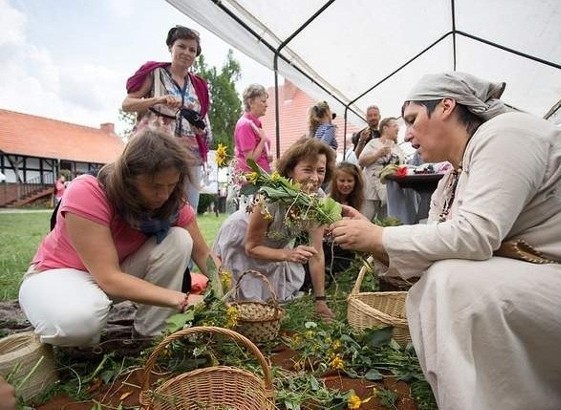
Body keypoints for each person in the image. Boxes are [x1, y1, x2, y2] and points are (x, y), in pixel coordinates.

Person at [330, 72, 561, 410]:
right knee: (439, 281)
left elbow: (476, 236)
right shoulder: (453, 178)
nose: (408, 136)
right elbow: (437, 243)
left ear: (447, 106)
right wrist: (372, 237)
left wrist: (380, 238)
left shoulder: (509, 134)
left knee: (452, 283)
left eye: (413, 120)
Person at [19, 130, 212, 347]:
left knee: (179, 239)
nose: (164, 195)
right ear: (130, 178)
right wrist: (182, 299)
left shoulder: (172, 203)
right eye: (155, 186)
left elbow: (204, 254)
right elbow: (108, 277)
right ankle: (71, 317)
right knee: (79, 323)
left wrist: (231, 288)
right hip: (59, 274)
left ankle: (151, 335)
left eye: (171, 185)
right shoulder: (89, 191)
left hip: (113, 277)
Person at [213, 137, 336, 320]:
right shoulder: (270, 198)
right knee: (239, 308)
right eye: (307, 170)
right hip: (242, 241)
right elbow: (252, 247)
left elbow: (316, 253)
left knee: (268, 309)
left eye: (321, 171)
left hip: (273, 250)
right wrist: (287, 254)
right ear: (290, 170)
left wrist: (320, 300)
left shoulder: (318, 200)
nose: (315, 178)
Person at [122, 25, 212, 211]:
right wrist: (159, 99)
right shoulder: (155, 74)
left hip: (189, 156)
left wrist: (199, 128)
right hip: (156, 152)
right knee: (151, 206)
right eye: (181, 46)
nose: (186, 52)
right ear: (171, 47)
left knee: (188, 210)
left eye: (192, 49)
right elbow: (127, 104)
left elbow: (203, 118)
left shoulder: (198, 85)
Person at [229, 83, 272, 211]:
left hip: (260, 178)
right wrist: (262, 140)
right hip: (251, 182)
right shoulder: (245, 125)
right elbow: (250, 160)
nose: (266, 105)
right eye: (263, 101)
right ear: (251, 102)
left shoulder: (255, 123)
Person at [358, 117, 405, 221]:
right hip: (370, 191)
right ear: (385, 128)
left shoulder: (397, 148)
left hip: (389, 192)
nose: (398, 128)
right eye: (395, 126)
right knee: (364, 220)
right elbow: (361, 161)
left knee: (385, 223)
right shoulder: (373, 143)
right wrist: (377, 154)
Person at [324, 162, 364, 274]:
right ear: (335, 181)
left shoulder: (357, 200)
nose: (346, 184)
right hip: (330, 245)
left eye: (349, 181)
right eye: (342, 181)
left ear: (356, 182)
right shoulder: (328, 200)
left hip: (348, 244)